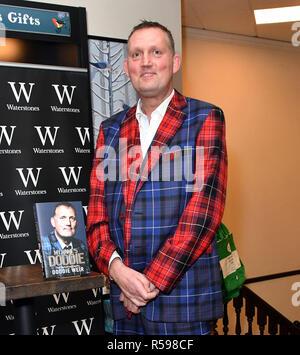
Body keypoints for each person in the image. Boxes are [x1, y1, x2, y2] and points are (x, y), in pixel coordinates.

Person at [87, 20, 227, 335]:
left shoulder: (204, 118)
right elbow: (96, 214)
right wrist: (117, 271)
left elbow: (202, 215)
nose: (146, 61)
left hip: (182, 305)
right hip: (126, 305)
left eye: (156, 51)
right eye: (137, 54)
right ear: (126, 67)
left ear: (174, 62)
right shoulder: (110, 130)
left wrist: (144, 286)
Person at [42, 202, 90, 276]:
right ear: (53, 222)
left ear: (76, 222)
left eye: (72, 218)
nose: (68, 223)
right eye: (62, 218)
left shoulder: (81, 245)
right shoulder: (45, 244)